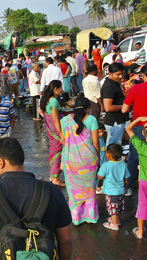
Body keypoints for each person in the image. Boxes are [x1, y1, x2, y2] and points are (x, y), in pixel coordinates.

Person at [61, 95, 100, 225]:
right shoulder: (92, 119)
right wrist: (98, 156)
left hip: (71, 161)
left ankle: (76, 217)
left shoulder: (65, 121)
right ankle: (90, 217)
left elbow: (62, 140)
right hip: (89, 160)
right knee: (89, 189)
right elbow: (95, 142)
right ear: (87, 108)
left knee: (75, 189)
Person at [122, 65, 147, 197]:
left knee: (134, 158)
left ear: (143, 75)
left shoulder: (136, 88)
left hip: (139, 127)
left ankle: (130, 187)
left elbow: (124, 109)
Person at [97, 144, 130, 231]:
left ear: (108, 154)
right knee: (118, 207)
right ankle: (117, 220)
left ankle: (114, 224)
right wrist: (126, 188)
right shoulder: (122, 164)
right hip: (121, 190)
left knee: (113, 209)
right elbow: (126, 178)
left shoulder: (105, 165)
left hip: (111, 192)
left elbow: (100, 177)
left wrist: (98, 181)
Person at [125, 117, 147, 239]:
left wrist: (138, 119)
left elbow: (128, 128)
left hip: (144, 180)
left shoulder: (141, 145)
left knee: (143, 204)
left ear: (143, 133)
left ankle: (139, 231)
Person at [40, 80, 64, 186]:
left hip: (50, 130)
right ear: (55, 89)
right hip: (55, 131)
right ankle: (55, 178)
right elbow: (55, 119)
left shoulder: (46, 100)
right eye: (60, 88)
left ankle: (53, 176)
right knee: (57, 153)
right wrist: (60, 133)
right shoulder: (53, 101)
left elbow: (41, 112)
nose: (62, 90)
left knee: (54, 152)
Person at [101, 63, 128, 146]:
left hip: (118, 120)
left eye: (121, 74)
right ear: (110, 74)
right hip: (114, 122)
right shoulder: (109, 86)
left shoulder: (114, 83)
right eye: (118, 74)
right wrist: (124, 107)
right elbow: (108, 107)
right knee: (113, 147)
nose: (120, 76)